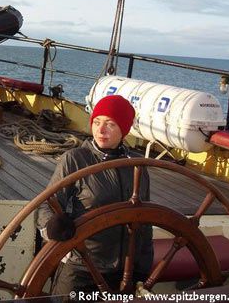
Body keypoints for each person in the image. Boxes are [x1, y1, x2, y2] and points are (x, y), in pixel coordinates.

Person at [35, 95, 153, 298]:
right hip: (81, 268)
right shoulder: (75, 159)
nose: (101, 130)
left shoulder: (137, 166)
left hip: (124, 272)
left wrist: (143, 265)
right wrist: (52, 225)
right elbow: (46, 204)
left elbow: (145, 220)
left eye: (110, 124)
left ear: (124, 129)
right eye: (97, 122)